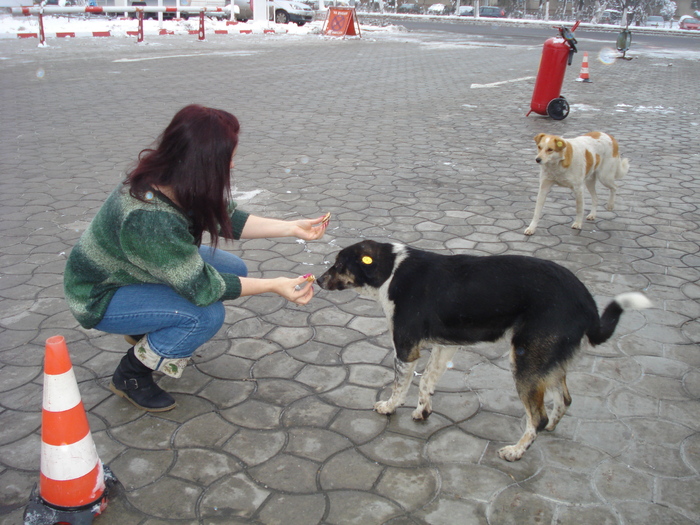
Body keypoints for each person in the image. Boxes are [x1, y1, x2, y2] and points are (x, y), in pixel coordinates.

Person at [64, 104, 328, 412]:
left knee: (233, 268)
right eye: (227, 157)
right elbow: (203, 288)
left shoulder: (176, 178)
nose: (231, 165)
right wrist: (275, 285)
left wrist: (292, 227)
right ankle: (131, 375)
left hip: (135, 269)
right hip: (101, 294)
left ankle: (146, 328)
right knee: (203, 315)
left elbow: (226, 218)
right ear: (201, 160)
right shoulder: (149, 216)